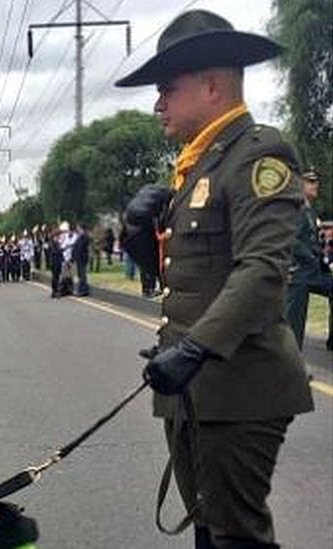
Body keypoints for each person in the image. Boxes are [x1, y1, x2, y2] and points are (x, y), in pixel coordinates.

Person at [118, 10, 314, 548]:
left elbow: (262, 270)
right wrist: (137, 233)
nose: (157, 104)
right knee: (208, 529)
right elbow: (182, 277)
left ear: (210, 85)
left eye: (166, 90)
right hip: (193, 389)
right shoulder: (198, 167)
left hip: (240, 388)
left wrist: (195, 348)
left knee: (236, 536)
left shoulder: (258, 156)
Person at [284, 168, 332, 349]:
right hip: (299, 272)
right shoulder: (296, 209)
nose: (315, 185)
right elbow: (292, 240)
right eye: (310, 182)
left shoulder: (310, 211)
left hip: (313, 270)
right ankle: (291, 358)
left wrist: (321, 259)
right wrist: (311, 257)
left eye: (316, 181)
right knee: (295, 320)